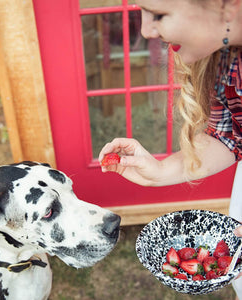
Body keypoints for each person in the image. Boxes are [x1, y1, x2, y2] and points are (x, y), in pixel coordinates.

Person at [98, 0, 242, 298]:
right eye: (141, 12)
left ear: (227, 8)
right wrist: (159, 171)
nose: (147, 31)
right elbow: (229, 137)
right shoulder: (225, 59)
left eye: (159, 15)